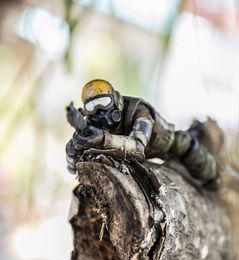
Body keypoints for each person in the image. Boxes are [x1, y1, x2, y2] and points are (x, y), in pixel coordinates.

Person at [65, 79, 219, 189]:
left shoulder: (139, 111)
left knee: (189, 147)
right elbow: (74, 170)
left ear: (116, 100)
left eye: (104, 102)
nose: (99, 111)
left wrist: (104, 138)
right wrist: (74, 148)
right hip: (139, 154)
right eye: (92, 106)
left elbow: (138, 147)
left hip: (168, 144)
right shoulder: (93, 127)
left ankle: (219, 177)